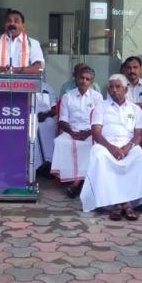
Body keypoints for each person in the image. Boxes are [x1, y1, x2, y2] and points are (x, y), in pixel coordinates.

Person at [80, 75, 142, 220]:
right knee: (99, 156)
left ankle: (126, 203)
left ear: (126, 90)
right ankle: (119, 204)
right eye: (111, 87)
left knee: (141, 157)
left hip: (128, 145)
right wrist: (112, 148)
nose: (114, 90)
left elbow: (138, 135)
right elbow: (96, 133)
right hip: (105, 145)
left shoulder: (135, 109)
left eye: (118, 87)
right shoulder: (101, 107)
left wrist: (126, 148)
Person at [52, 66, 103, 196]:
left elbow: (99, 121)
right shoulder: (67, 96)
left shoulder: (97, 97)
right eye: (82, 78)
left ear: (91, 82)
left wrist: (87, 133)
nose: (84, 81)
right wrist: (71, 132)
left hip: (90, 132)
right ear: (76, 79)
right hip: (71, 131)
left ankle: (76, 183)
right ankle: (74, 179)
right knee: (60, 142)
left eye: (87, 79)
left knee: (91, 145)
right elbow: (62, 120)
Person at [0, 10, 44, 74]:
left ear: (23, 26)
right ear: (4, 25)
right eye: (9, 21)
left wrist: (15, 70)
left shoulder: (33, 43)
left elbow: (37, 68)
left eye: (16, 21)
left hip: (23, 81)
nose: (12, 24)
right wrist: (5, 69)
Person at [34, 80, 58, 176]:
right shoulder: (23, 85)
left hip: (45, 118)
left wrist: (45, 115)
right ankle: (35, 166)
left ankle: (48, 164)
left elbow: (54, 109)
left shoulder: (47, 87)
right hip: (27, 118)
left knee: (48, 125)